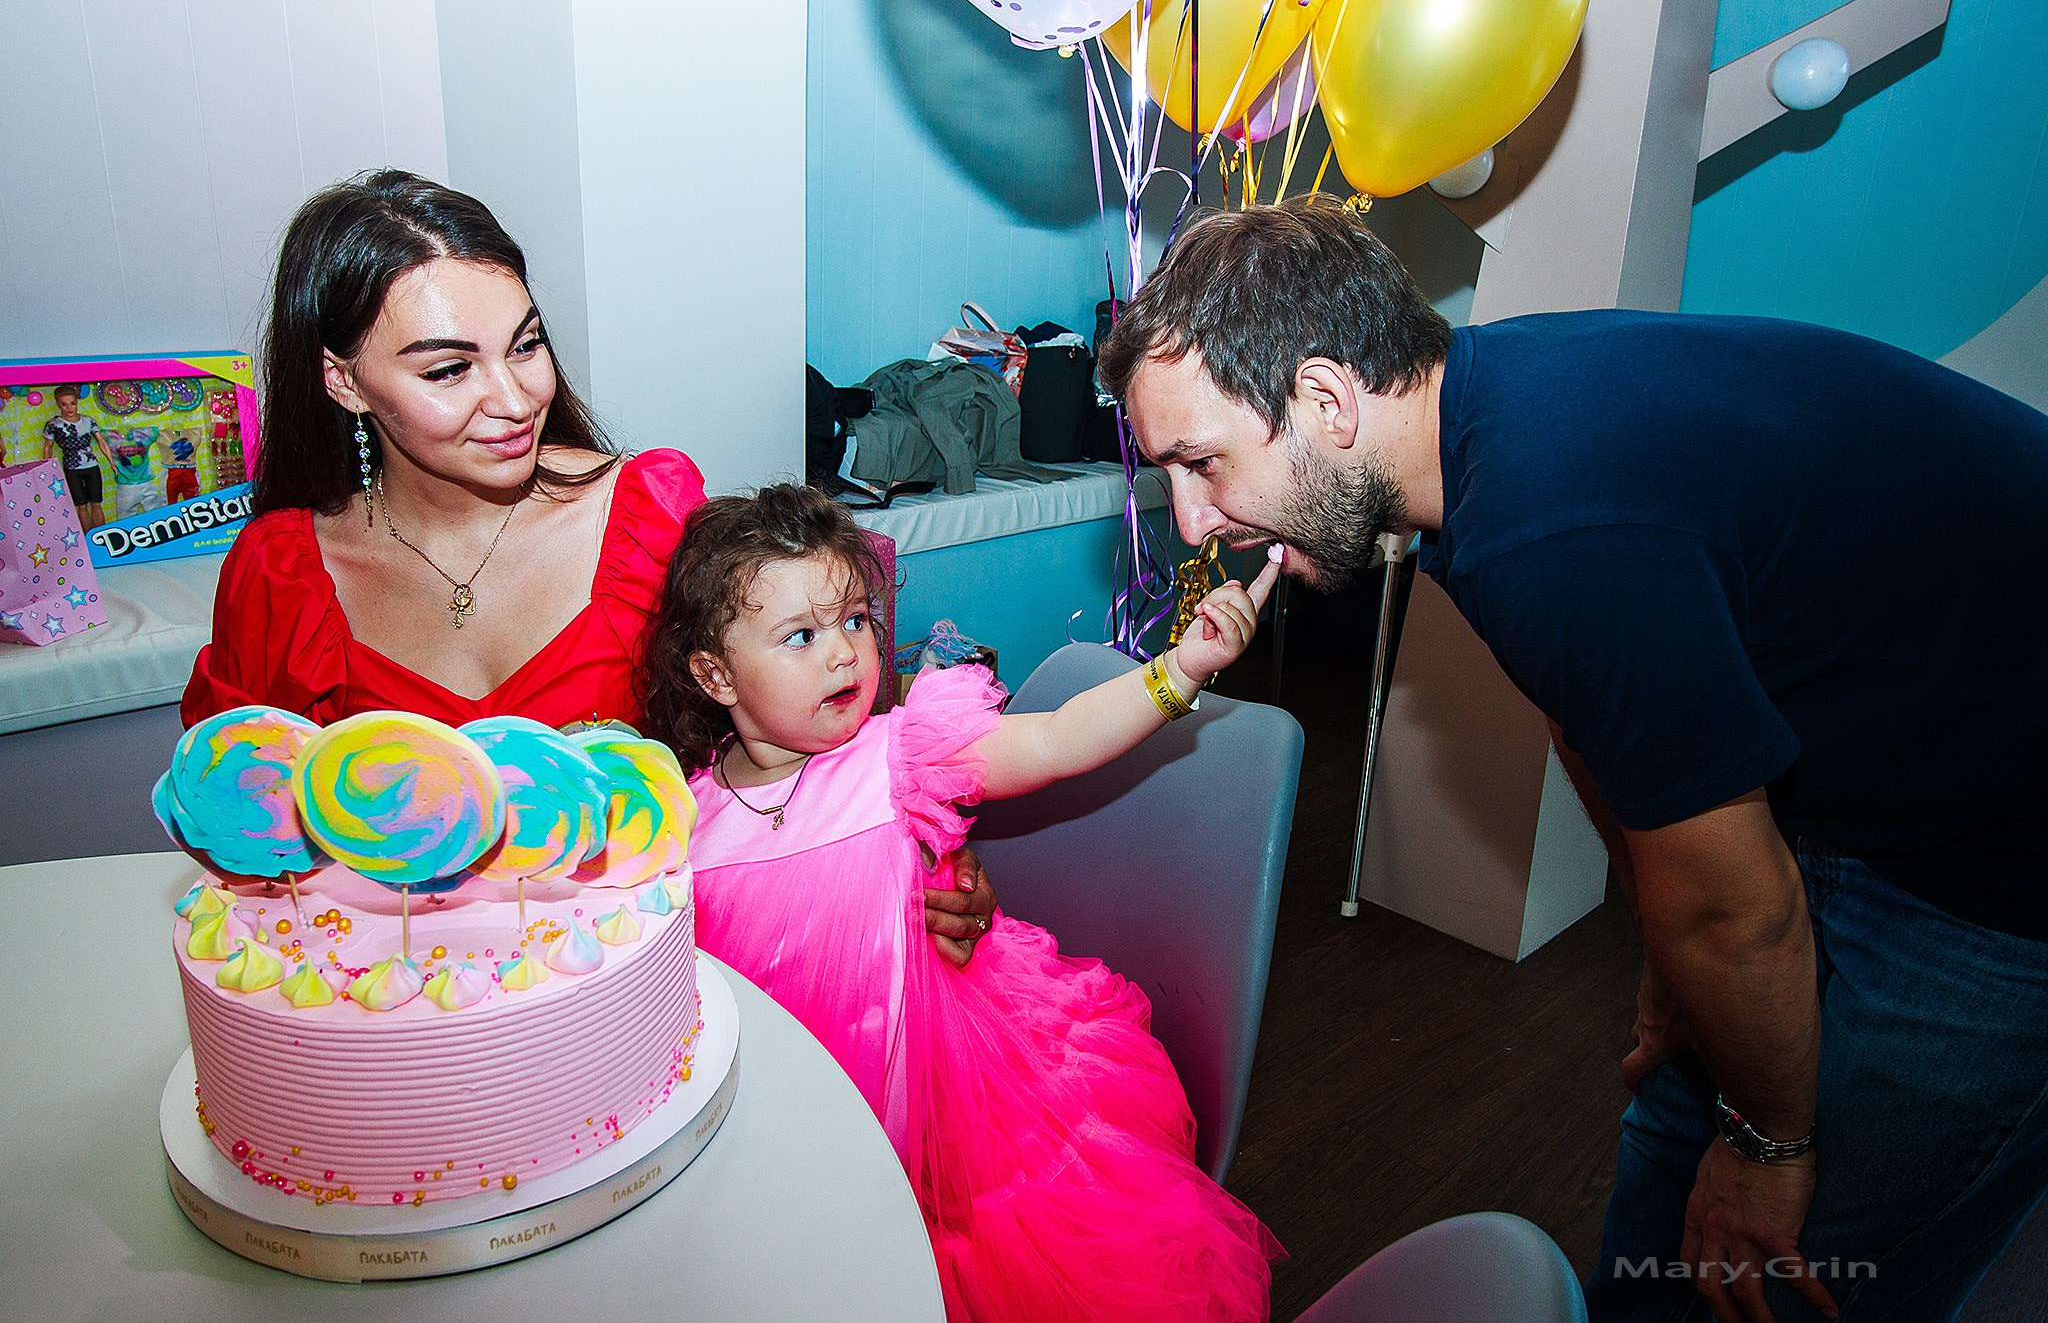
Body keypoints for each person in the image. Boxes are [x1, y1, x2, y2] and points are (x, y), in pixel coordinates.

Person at [1099, 194, 2048, 1323]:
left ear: (1323, 399)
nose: (1192, 521)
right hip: (1876, 766)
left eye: (1199, 462)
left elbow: (1735, 919)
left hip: (2005, 853)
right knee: (1678, 1134)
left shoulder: (1557, 528)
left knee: (1813, 1258)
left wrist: (1772, 1142)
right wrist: (1671, 938)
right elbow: (1593, 734)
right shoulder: (1466, 429)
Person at [179, 169, 994, 959]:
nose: (513, 398)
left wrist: (910, 848)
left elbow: (803, 714)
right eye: (449, 369)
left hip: (666, 976)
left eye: (525, 345)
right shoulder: (279, 575)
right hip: (399, 1027)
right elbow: (245, 837)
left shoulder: (649, 516)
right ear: (343, 380)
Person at [641, 483, 1285, 1323]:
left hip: (954, 1101)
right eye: (801, 635)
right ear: (715, 673)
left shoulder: (899, 752)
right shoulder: (682, 824)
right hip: (799, 1124)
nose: (844, 654)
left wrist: (1178, 671)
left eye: (856, 621)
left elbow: (1056, 740)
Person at [43, 383, 116, 529]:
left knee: (96, 503)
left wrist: (112, 462)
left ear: (77, 402)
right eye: (64, 404)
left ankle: (102, 534)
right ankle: (88, 538)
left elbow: (101, 441)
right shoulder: (54, 424)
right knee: (81, 506)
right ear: (58, 405)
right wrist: (47, 469)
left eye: (72, 403)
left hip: (91, 467)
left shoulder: (88, 421)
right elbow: (47, 447)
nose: (69, 408)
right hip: (72, 469)